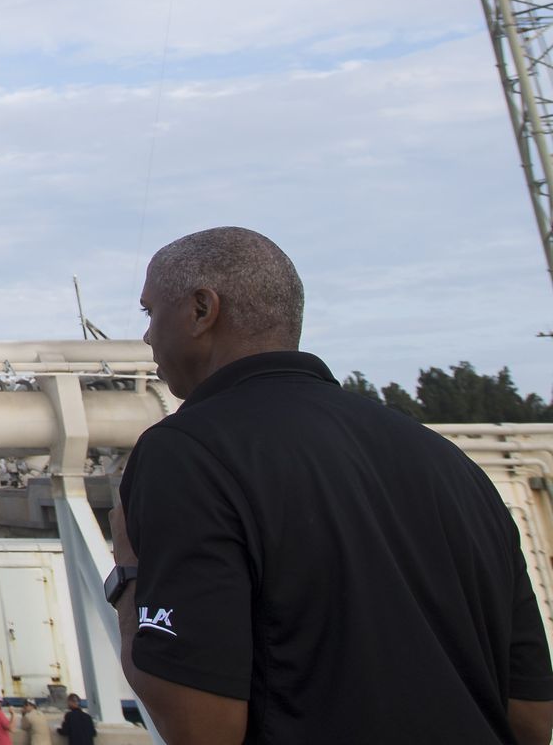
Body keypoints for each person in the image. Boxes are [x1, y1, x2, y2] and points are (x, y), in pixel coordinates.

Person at [108, 226, 553, 745]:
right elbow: (530, 718)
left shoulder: (185, 452)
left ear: (202, 310)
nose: (146, 337)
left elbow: (201, 727)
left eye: (149, 313)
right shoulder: (451, 465)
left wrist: (127, 574)